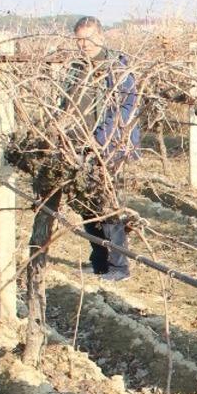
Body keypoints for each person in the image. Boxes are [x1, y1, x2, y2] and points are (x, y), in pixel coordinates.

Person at [43, 15, 140, 282]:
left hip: (108, 149)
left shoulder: (117, 68)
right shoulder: (76, 68)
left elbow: (124, 111)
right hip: (79, 146)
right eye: (79, 40)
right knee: (86, 203)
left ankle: (119, 267)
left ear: (101, 36)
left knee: (108, 205)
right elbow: (66, 103)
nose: (84, 45)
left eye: (89, 39)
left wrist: (101, 143)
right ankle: (98, 262)